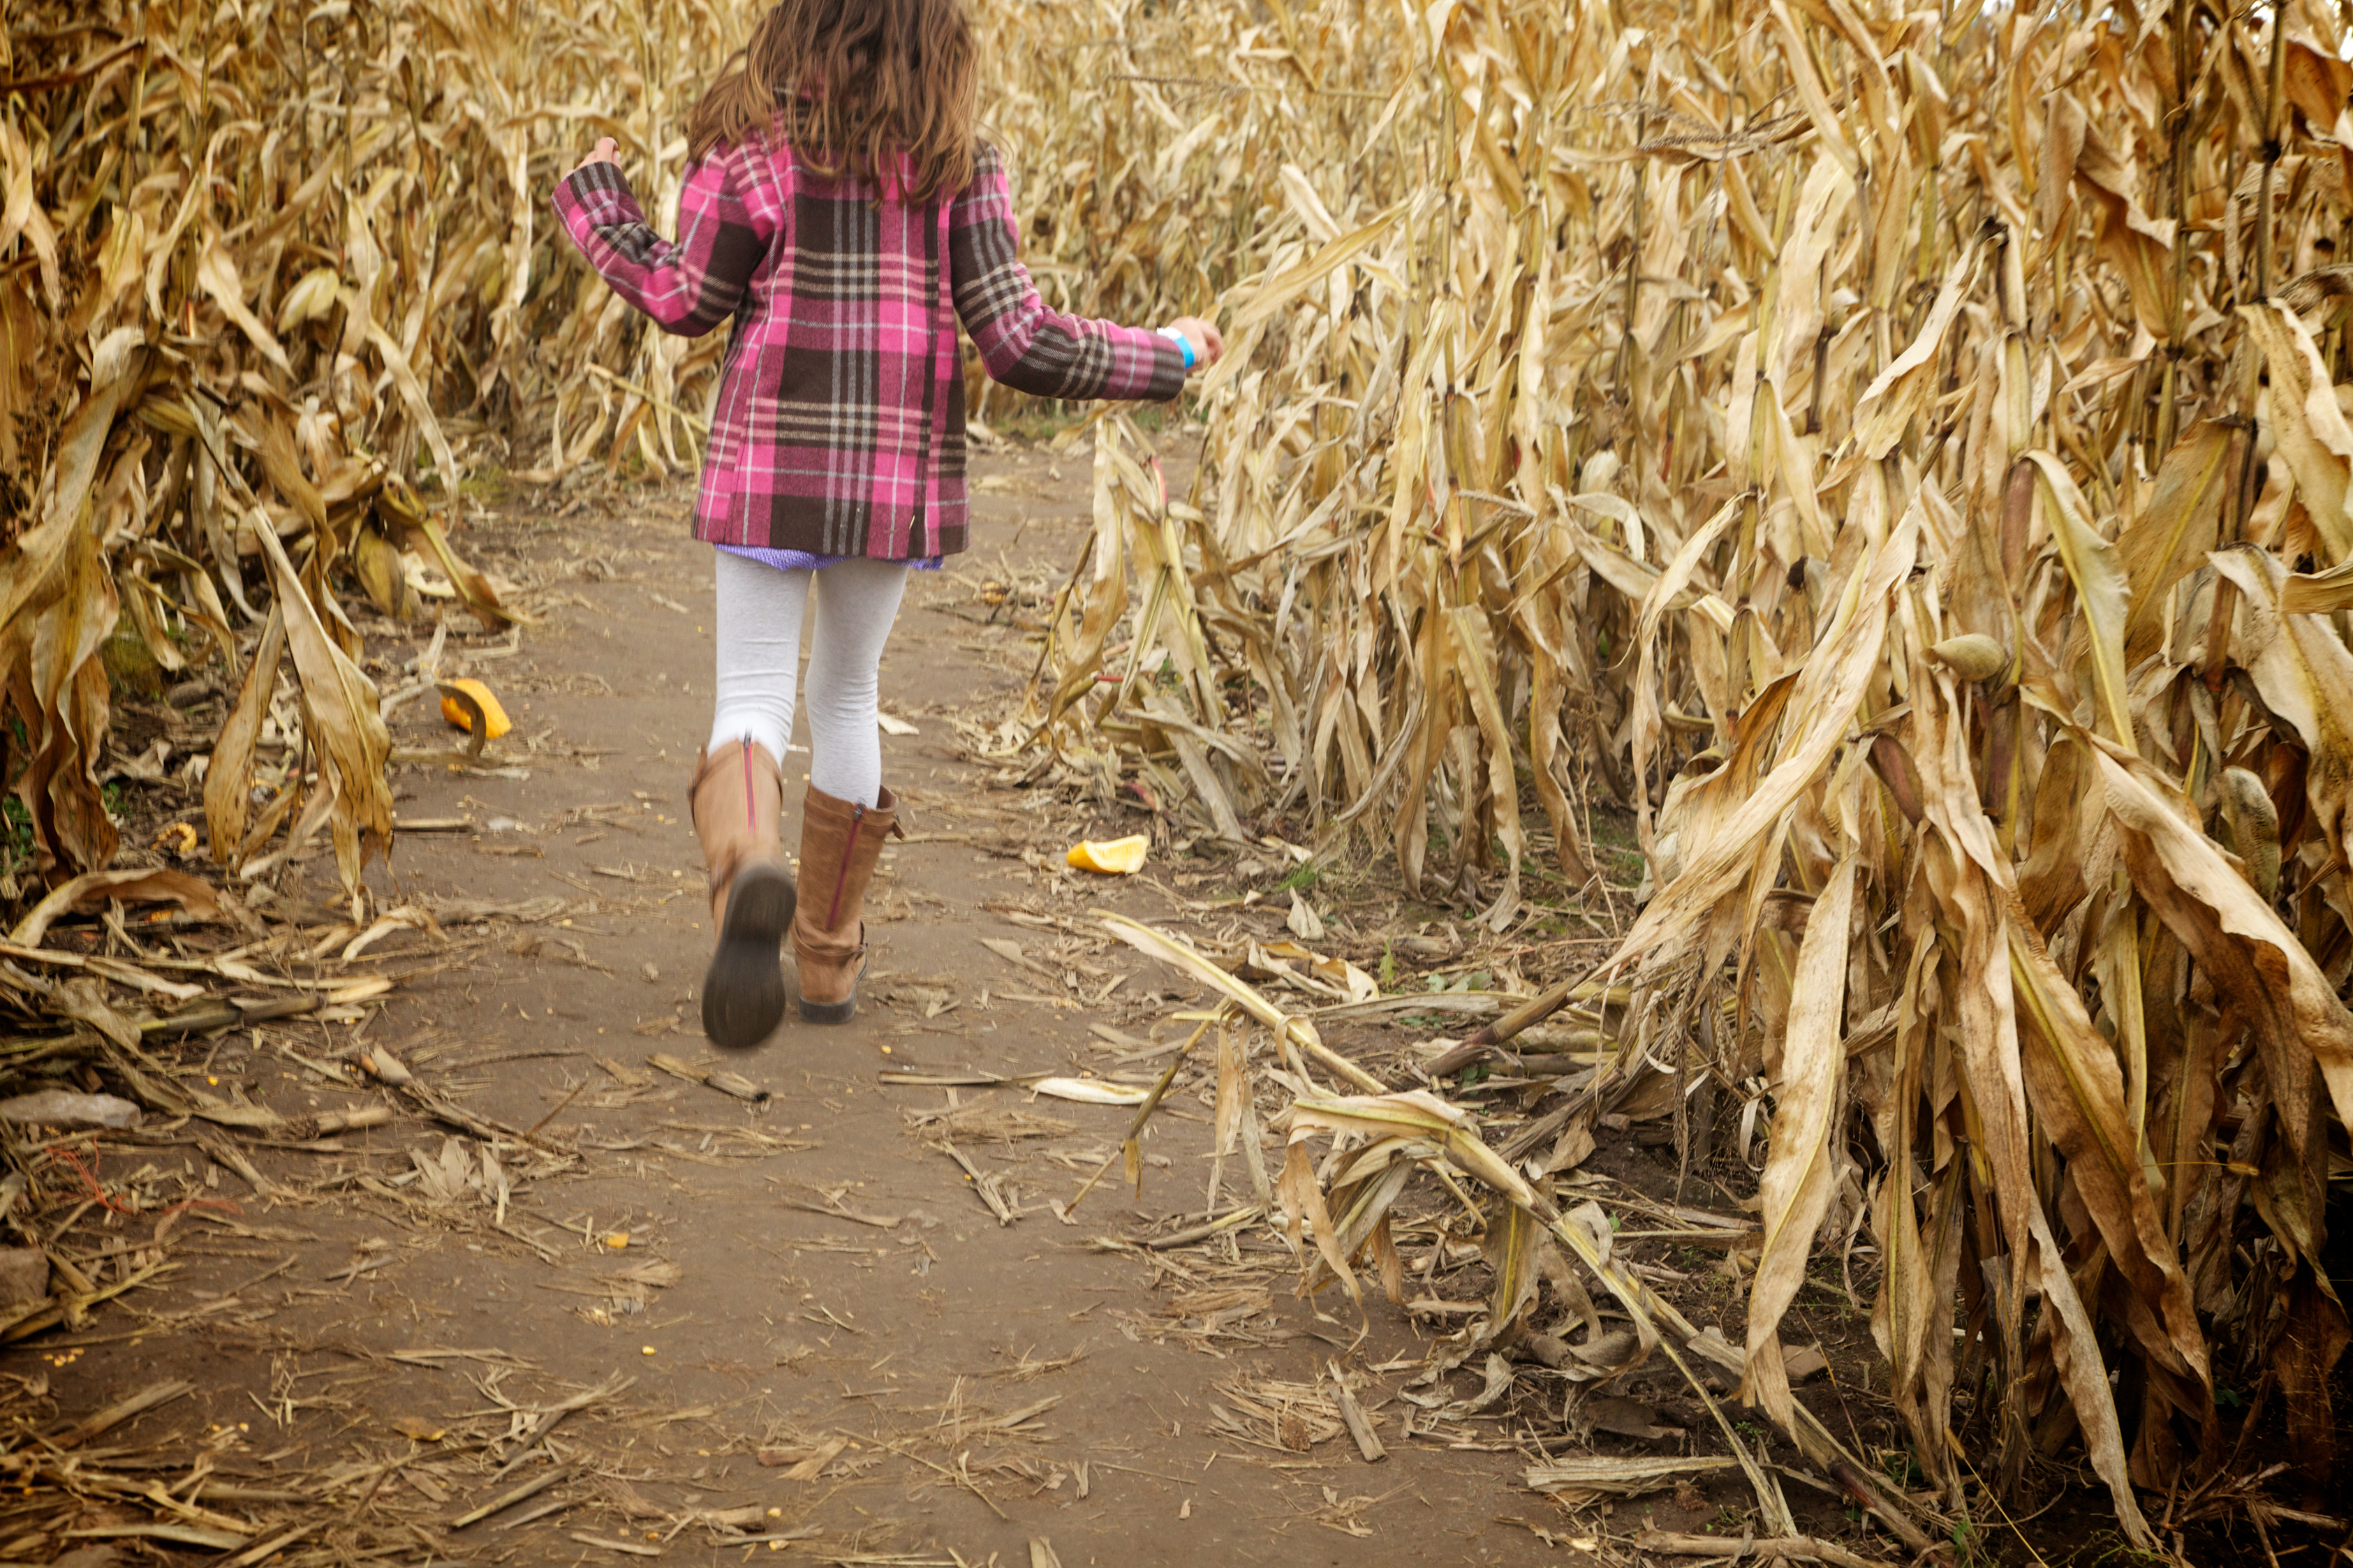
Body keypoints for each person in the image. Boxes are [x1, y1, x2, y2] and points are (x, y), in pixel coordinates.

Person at [552, 0, 1222, 1050]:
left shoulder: (756, 146)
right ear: (936, 37)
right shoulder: (959, 162)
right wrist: (1165, 353)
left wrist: (597, 201)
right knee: (848, 690)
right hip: (892, 476)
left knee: (752, 696)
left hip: (770, 462)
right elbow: (1019, 342)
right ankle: (825, 957)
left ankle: (748, 875)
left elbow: (684, 296)